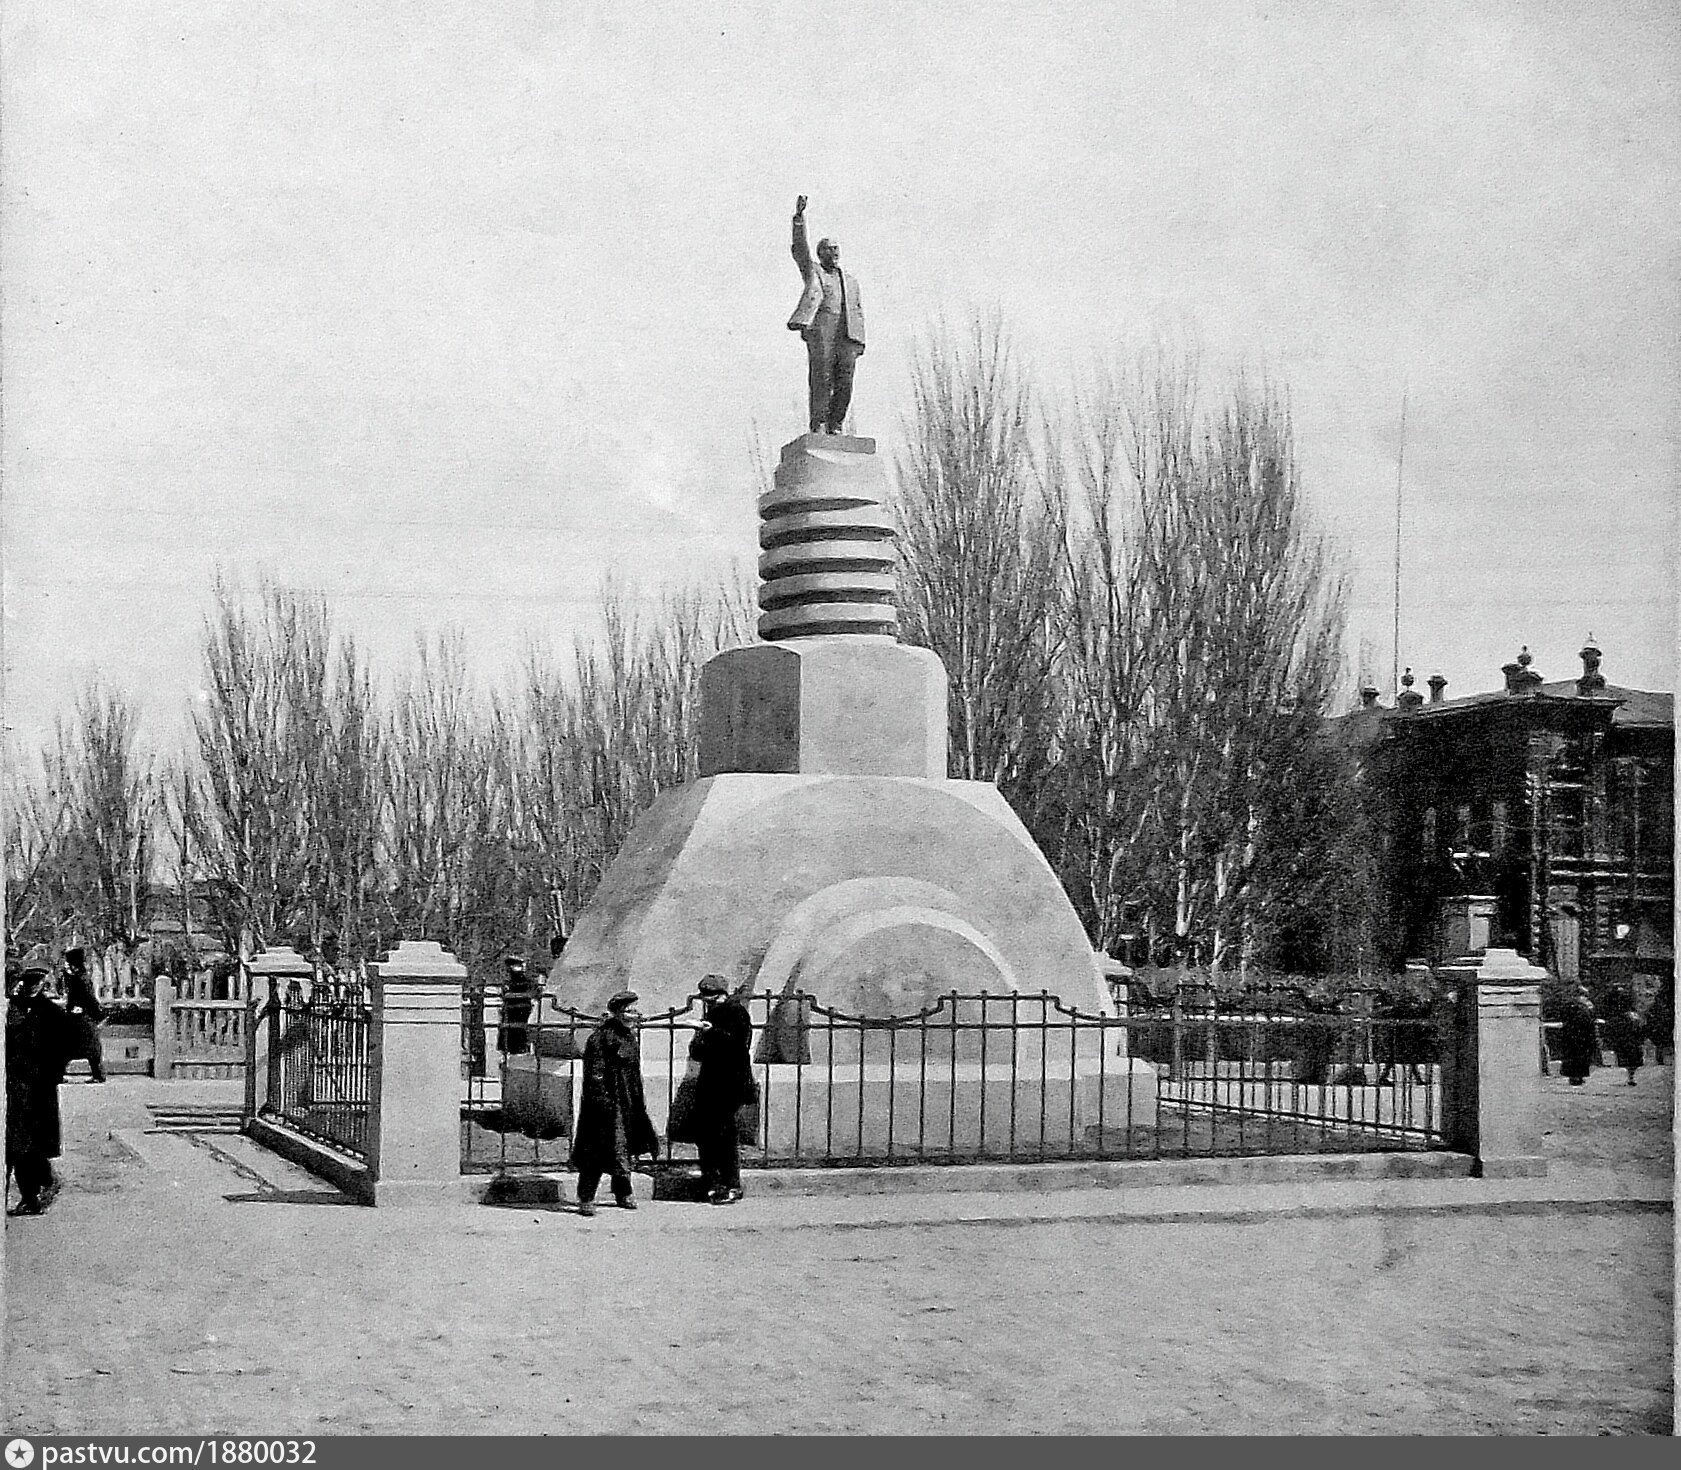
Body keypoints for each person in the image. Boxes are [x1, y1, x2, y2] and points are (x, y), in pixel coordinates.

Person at [570, 990, 658, 1216]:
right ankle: (586, 1197)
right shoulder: (600, 1038)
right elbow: (595, 1074)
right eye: (628, 1011)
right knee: (596, 1151)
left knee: (624, 1148)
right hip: (605, 1104)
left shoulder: (629, 1036)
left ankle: (623, 1193)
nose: (633, 1015)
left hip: (628, 1101)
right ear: (617, 1013)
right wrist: (602, 1102)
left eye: (634, 1011)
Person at [787, 195, 866, 436]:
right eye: (829, 249)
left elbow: (858, 310)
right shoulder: (814, 272)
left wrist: (859, 341)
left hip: (847, 334)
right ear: (820, 253)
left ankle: (836, 423)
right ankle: (819, 422)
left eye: (836, 249)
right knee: (821, 377)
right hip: (822, 329)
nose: (834, 252)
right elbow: (800, 250)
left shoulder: (851, 281)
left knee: (845, 381)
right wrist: (799, 219)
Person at [6, 947, 75, 1215]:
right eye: (28, 980)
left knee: (24, 1146)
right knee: (19, 1146)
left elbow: (65, 1047)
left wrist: (51, 1074)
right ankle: (37, 1189)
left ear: (43, 982)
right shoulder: (14, 1008)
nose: (31, 985)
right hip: (15, 1086)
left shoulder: (51, 1014)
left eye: (37, 980)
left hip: (37, 1089)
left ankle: (37, 1191)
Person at [690, 975, 756, 1206]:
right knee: (708, 1136)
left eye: (711, 997)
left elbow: (738, 1046)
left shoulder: (736, 1012)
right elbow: (697, 1052)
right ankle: (713, 1183)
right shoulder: (711, 1014)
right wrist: (702, 1035)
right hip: (710, 1083)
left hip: (730, 1084)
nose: (707, 1002)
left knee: (724, 1136)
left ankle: (731, 1185)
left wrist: (712, 1031)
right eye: (705, 998)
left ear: (722, 995)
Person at [62, 946, 107, 1083]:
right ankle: (98, 1075)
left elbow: (89, 999)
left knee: (68, 1047)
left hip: (81, 1018)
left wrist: (97, 1014)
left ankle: (98, 1075)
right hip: (80, 1017)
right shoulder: (79, 977)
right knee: (87, 1049)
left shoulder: (80, 979)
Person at [1602, 991, 1646, 1087]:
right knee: (1632, 1061)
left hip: (1626, 1041)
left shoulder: (1620, 1017)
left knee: (1629, 1060)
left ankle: (1630, 1077)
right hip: (1632, 1042)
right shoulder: (1634, 1016)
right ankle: (1631, 1077)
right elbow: (1641, 1029)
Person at [499, 954, 540, 1057]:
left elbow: (533, 992)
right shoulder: (508, 982)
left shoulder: (527, 982)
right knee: (511, 1031)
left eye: (516, 964)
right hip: (511, 1009)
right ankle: (510, 1049)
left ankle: (521, 1048)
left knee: (521, 1030)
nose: (513, 968)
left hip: (522, 1009)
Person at [1558, 984, 1598, 1086]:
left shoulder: (1569, 1004)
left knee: (1572, 1055)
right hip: (1583, 1034)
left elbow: (1564, 1018)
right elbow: (1591, 1019)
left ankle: (1573, 1077)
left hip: (1571, 1034)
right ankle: (1578, 1076)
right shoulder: (1587, 1005)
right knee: (1581, 1056)